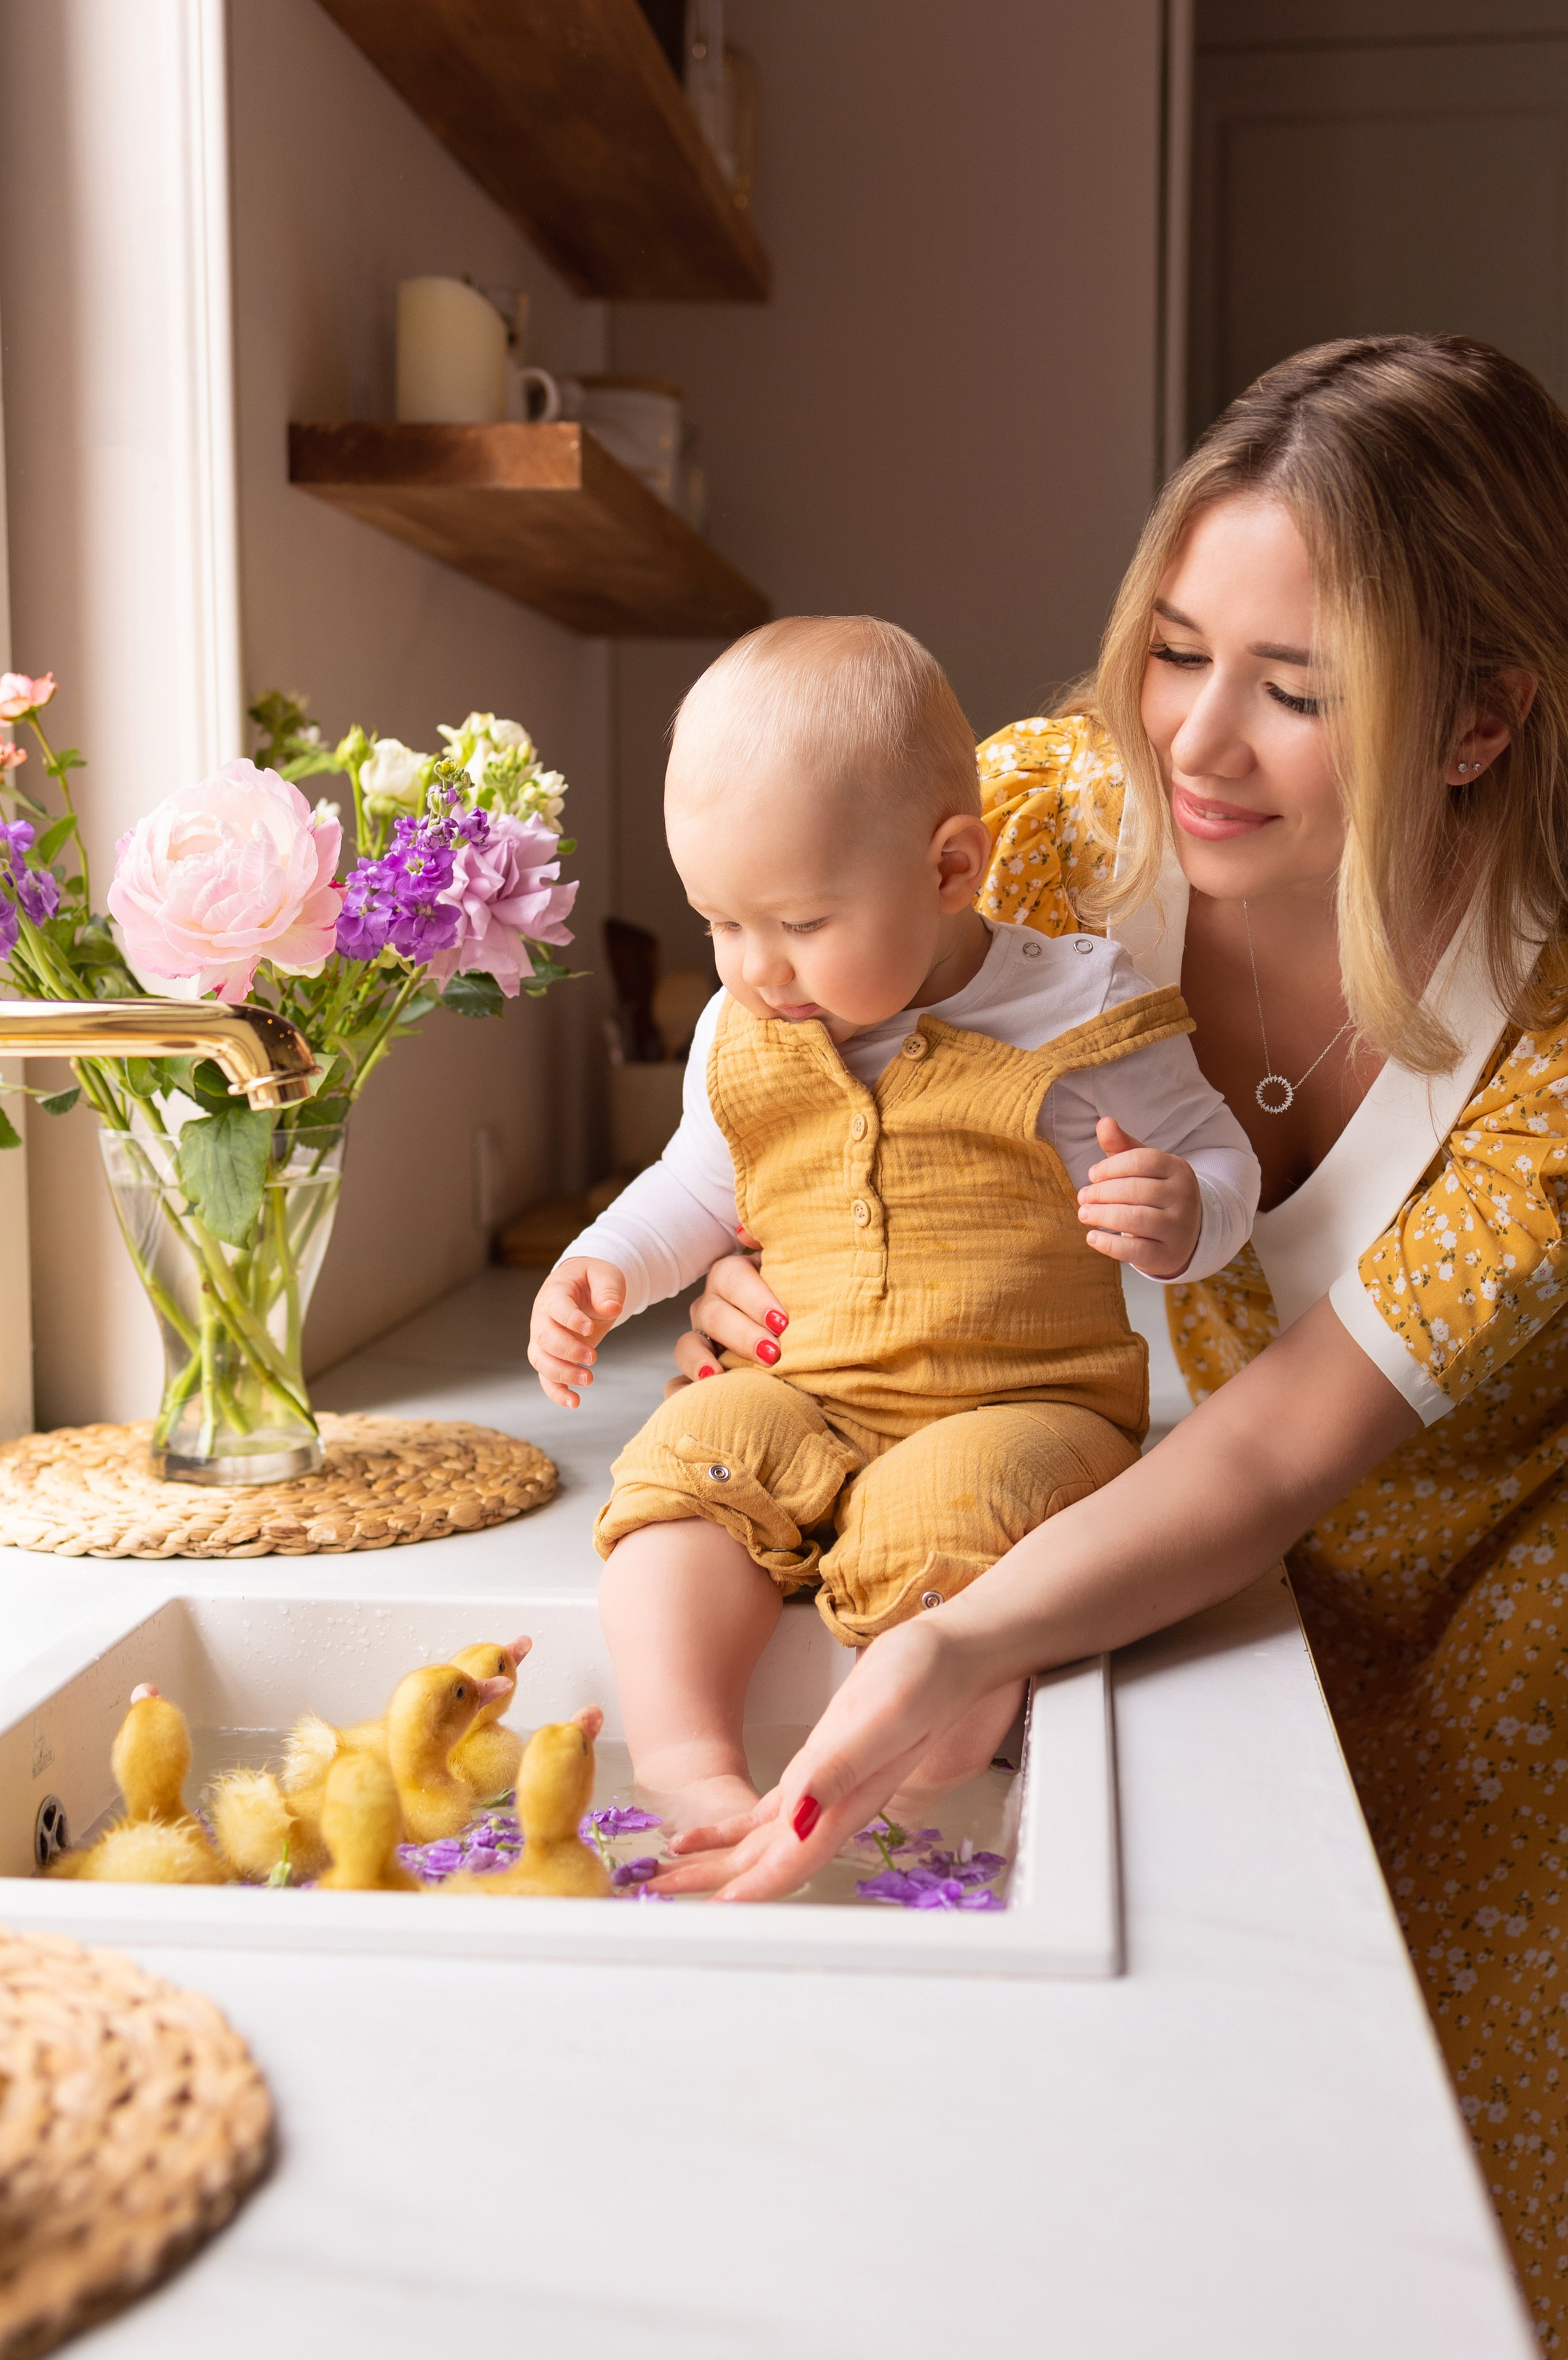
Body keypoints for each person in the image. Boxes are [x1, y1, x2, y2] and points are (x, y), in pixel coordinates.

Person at [654, 335, 1568, 2332]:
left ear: (1482, 718)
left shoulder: (1551, 1033)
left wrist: (963, 1636)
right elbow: (798, 1049)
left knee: (1461, 2219)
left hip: (1505, 1601)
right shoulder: (1045, 831)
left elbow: (1284, 1439)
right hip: (1182, 1557)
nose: (1197, 743)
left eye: (1298, 690)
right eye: (1172, 650)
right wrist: (754, 1252)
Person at [528, 616, 1258, 1829]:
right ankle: (687, 1767)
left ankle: (903, 1799)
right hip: (806, 1394)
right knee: (685, 1458)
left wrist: (1185, 1214)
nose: (756, 969)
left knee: (951, 1516)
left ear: (950, 870)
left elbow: (1219, 1156)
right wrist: (602, 1263)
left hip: (1020, 1410)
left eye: (801, 924)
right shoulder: (743, 1028)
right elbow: (698, 1184)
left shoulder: (1078, 1008)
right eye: (721, 922)